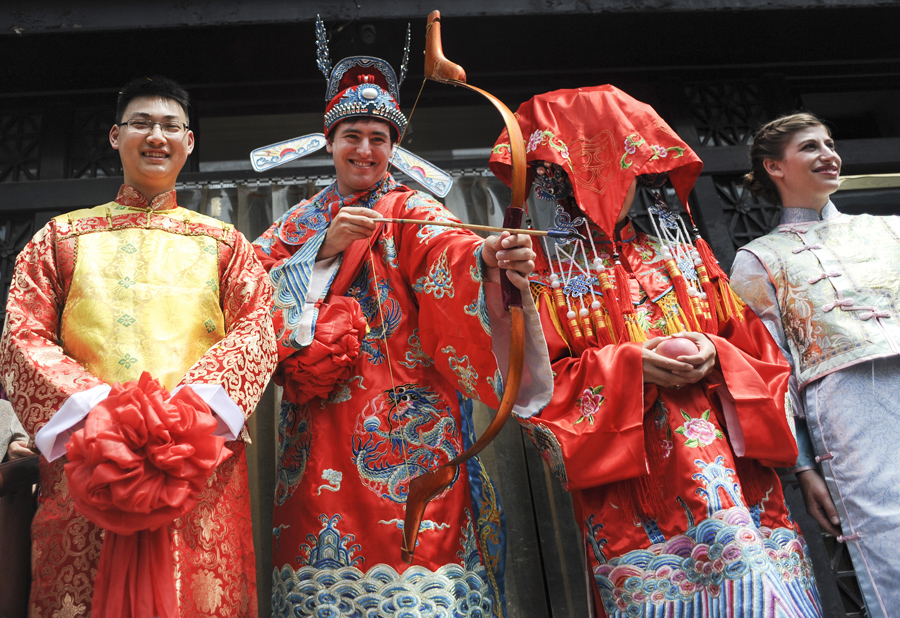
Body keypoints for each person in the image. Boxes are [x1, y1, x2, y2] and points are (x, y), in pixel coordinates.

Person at [487, 86, 823, 617]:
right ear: (558, 177)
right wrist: (630, 365)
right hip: (636, 496)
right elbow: (532, 396)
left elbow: (764, 359)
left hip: (735, 481)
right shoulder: (541, 279)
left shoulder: (685, 255)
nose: (611, 188)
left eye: (626, 170)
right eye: (588, 172)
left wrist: (716, 354)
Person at [252, 48, 552, 615]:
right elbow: (246, 296)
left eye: (378, 137)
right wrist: (321, 249)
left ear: (394, 146)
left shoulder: (413, 209)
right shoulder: (297, 223)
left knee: (422, 581)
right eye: (351, 135)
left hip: (412, 429)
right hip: (317, 426)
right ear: (329, 140)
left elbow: (452, 251)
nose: (365, 150)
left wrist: (489, 256)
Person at [0, 76, 276, 617]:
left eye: (171, 126)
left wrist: (192, 419)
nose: (157, 136)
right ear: (114, 136)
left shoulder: (226, 245)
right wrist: (98, 420)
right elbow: (21, 335)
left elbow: (258, 329)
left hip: (197, 467)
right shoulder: (60, 238)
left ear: (189, 143)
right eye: (142, 124)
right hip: (88, 466)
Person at [730, 111, 900, 618]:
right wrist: (803, 466)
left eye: (829, 143)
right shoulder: (758, 259)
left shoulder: (891, 229)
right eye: (810, 147)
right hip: (848, 408)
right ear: (774, 167)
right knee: (891, 537)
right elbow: (772, 368)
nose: (829, 154)